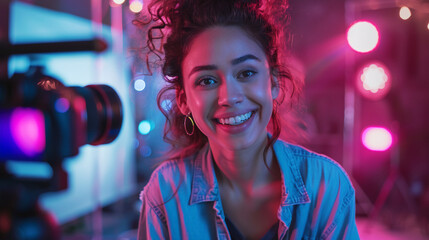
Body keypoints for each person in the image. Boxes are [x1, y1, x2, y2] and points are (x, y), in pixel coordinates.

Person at [135, 0, 360, 239]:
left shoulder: (326, 185)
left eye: (246, 73)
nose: (229, 97)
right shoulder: (165, 194)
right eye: (206, 81)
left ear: (273, 82)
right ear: (183, 100)